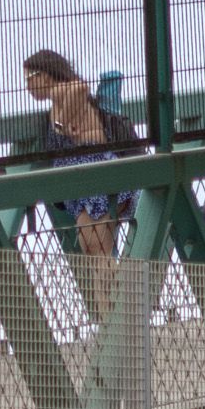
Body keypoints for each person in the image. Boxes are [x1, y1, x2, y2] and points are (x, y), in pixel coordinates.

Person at [18, 50, 138, 271]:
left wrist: (62, 124)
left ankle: (116, 303)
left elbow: (80, 87)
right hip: (81, 183)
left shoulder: (58, 90)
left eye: (28, 78)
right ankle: (107, 305)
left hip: (97, 173)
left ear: (43, 75)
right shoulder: (55, 102)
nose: (27, 86)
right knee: (92, 249)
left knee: (100, 249)